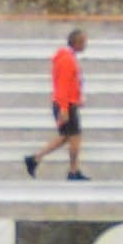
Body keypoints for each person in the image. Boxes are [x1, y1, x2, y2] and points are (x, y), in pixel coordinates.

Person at [29, 26, 89, 179]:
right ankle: (73, 171)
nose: (86, 45)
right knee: (74, 137)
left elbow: (71, 83)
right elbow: (62, 86)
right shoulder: (67, 60)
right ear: (77, 43)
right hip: (66, 105)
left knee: (67, 137)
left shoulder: (69, 58)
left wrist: (77, 97)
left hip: (68, 103)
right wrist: (63, 109)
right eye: (84, 42)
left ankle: (35, 159)